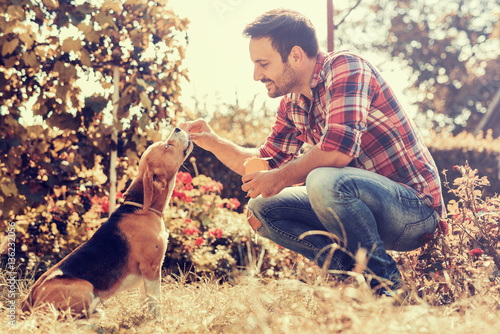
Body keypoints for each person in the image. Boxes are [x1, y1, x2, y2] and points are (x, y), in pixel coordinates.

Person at [180, 8, 444, 294]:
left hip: (414, 211)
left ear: (295, 55)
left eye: (263, 64)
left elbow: (337, 152)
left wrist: (280, 178)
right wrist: (213, 142)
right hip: (363, 210)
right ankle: (355, 285)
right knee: (261, 209)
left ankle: (386, 288)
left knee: (324, 179)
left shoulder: (345, 67)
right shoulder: (291, 106)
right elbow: (265, 164)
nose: (256, 75)